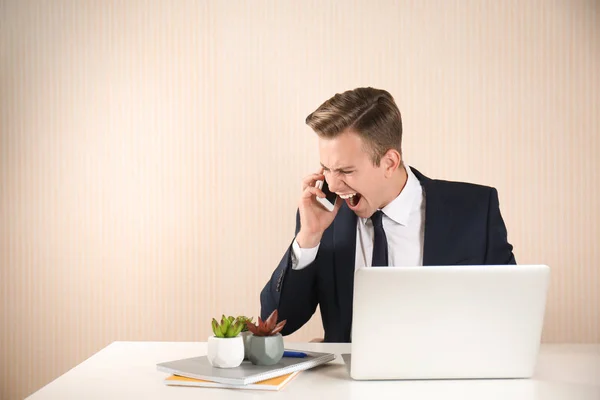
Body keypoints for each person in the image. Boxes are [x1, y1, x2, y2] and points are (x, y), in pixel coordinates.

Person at [260, 87, 516, 343]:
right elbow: (280, 323)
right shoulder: (322, 215)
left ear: (390, 163)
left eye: (346, 171)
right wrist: (309, 237)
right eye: (326, 168)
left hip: (444, 378)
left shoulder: (474, 211)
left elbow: (509, 315)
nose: (333, 185)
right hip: (348, 381)